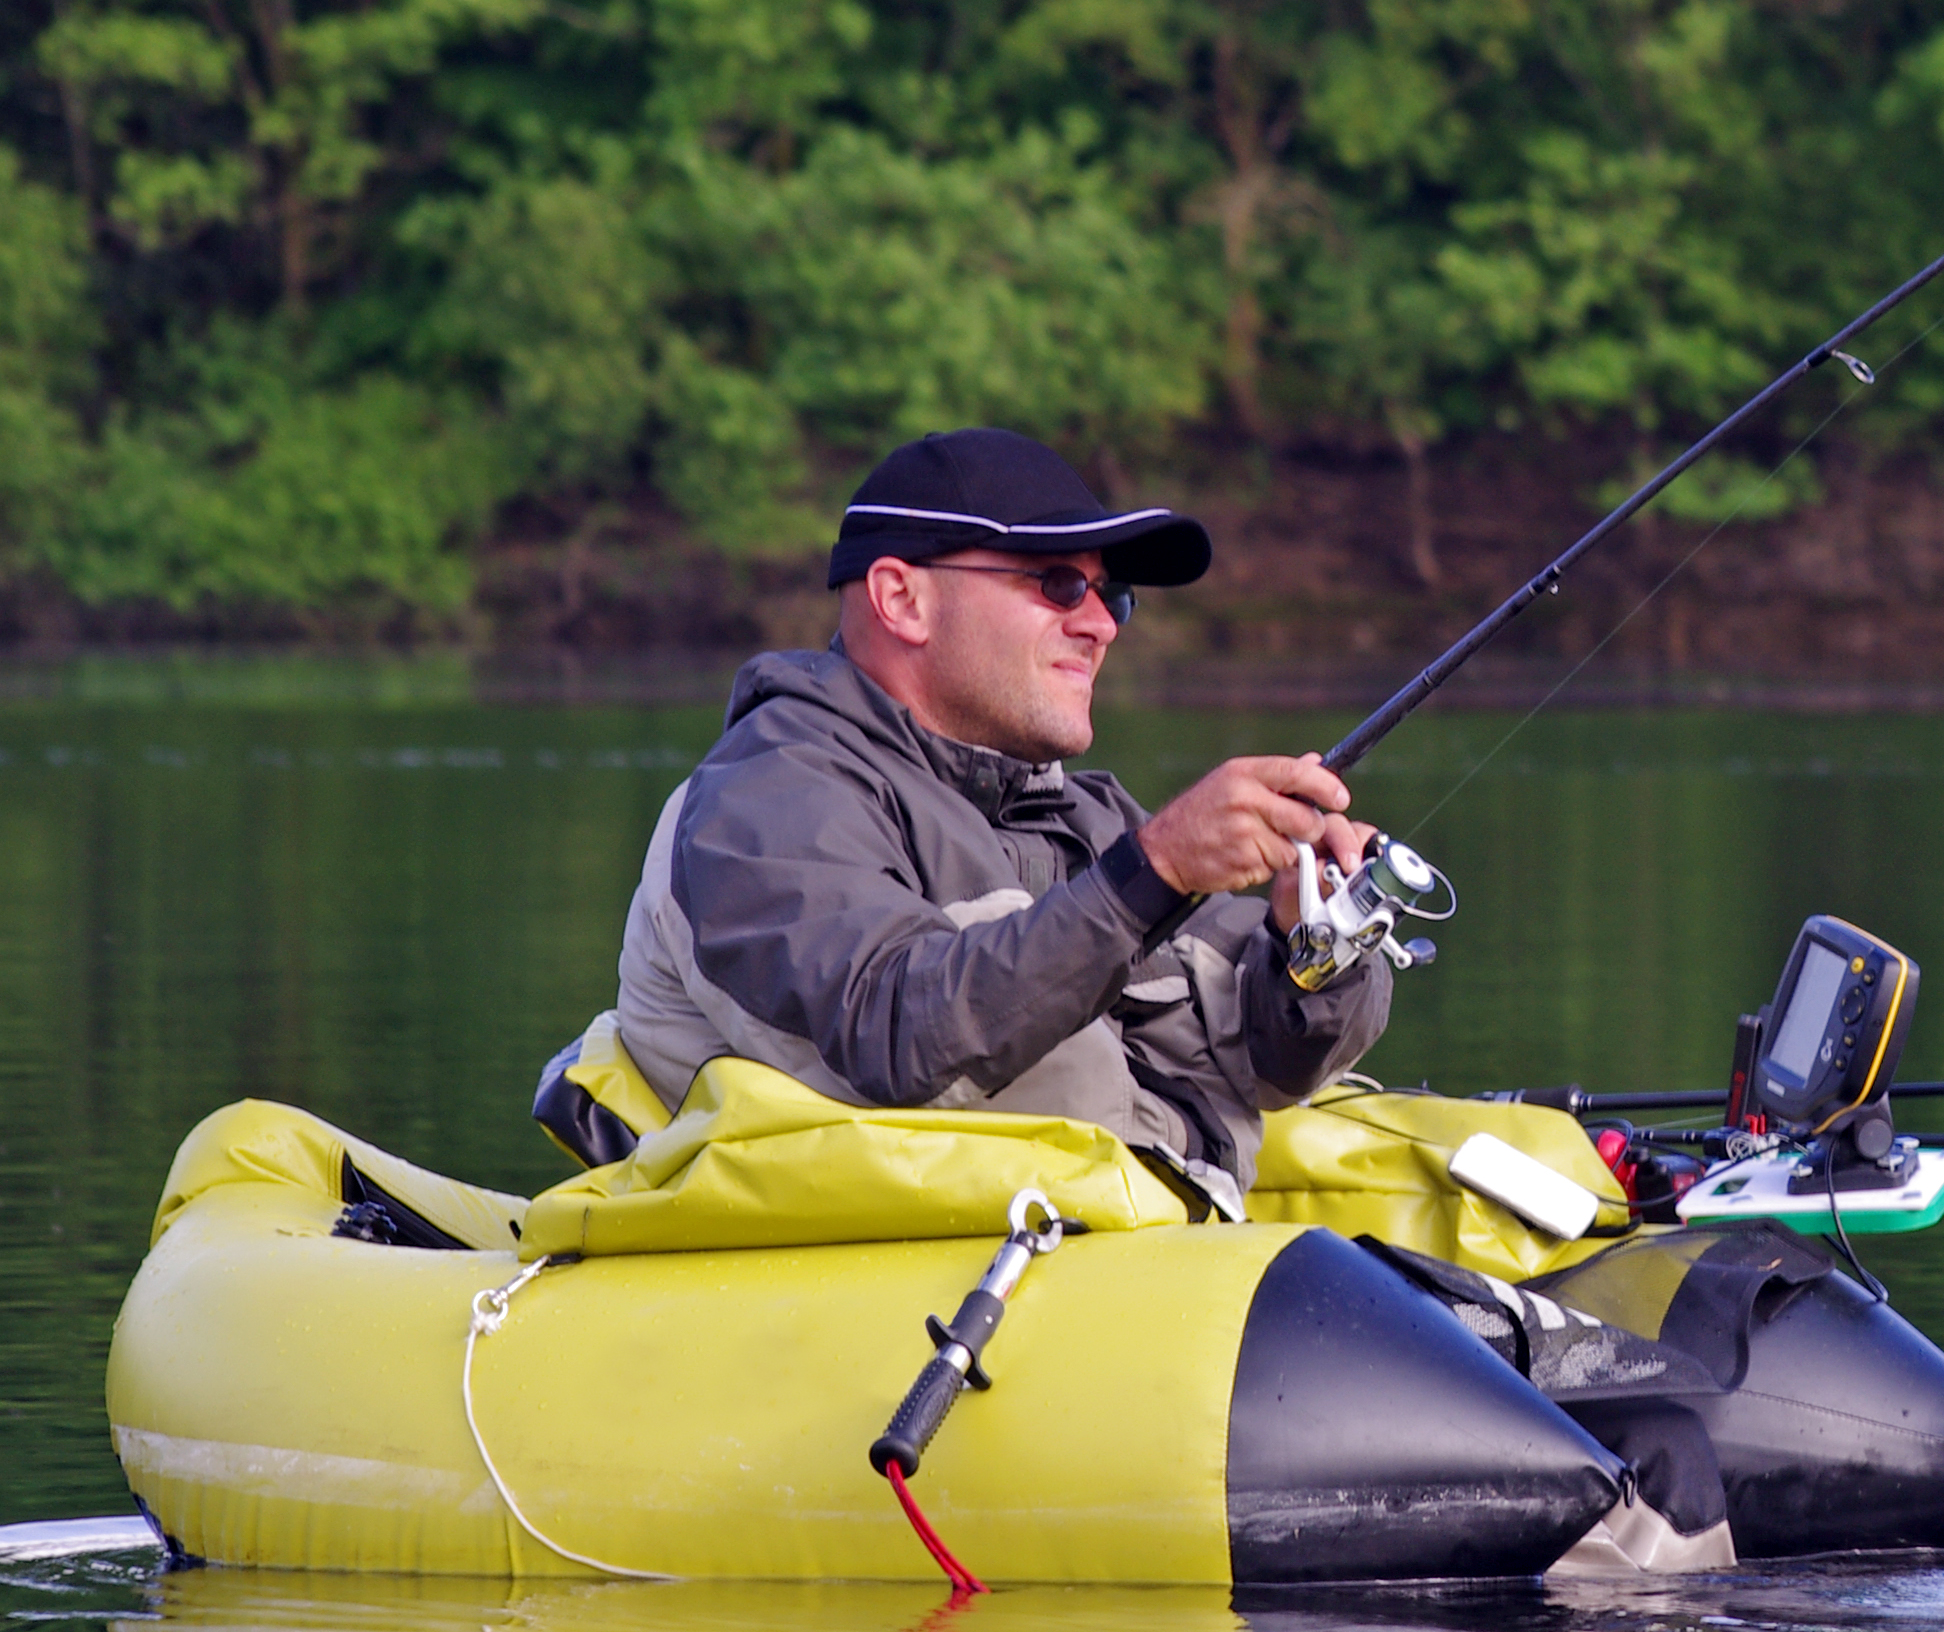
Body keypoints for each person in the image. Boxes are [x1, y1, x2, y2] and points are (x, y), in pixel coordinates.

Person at [589, 428, 1394, 1214]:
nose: (1102, 625)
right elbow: (892, 1034)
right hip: (936, 1276)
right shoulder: (765, 796)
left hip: (1139, 1250)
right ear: (902, 599)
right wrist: (1154, 873)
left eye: (1112, 596)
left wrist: (1314, 942)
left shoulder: (1085, 817)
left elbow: (1268, 1061)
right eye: (1060, 585)